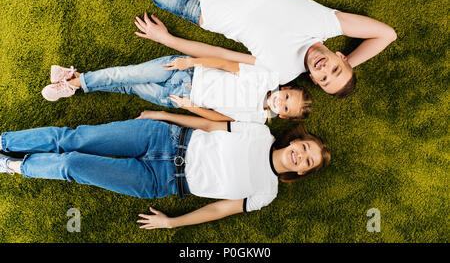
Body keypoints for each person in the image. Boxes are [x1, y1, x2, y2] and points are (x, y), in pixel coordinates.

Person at [63, 0, 397, 98]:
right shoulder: (329, 24)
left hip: (190, 4)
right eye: (335, 69)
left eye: (323, 79)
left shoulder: (280, 73)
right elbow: (386, 34)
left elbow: (223, 57)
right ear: (340, 57)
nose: (324, 70)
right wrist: (350, 63)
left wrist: (167, 40)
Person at [0, 111, 330, 229]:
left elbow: (218, 208)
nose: (301, 156)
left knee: (74, 164)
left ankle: (15, 166)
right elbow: (209, 124)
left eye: (307, 161)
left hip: (161, 181)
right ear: (294, 141)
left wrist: (172, 223)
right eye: (304, 148)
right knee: (74, 137)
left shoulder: (266, 193)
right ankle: (5, 140)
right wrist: (162, 115)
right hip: (164, 136)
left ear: (302, 172)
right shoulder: (260, 133)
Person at [41, 43, 312, 123]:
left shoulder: (257, 118)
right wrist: (190, 63)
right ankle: (76, 82)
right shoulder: (264, 78)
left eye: (287, 108)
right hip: (185, 71)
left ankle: (72, 78)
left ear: (284, 116)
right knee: (127, 75)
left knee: (128, 87)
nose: (282, 103)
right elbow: (223, 64)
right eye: (288, 97)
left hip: (183, 98)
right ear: (285, 89)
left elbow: (218, 118)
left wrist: (188, 106)